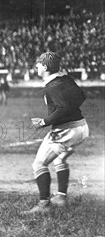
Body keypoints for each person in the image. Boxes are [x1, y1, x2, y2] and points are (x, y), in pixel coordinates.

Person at [23, 51, 89, 215]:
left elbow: (63, 108)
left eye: (38, 64)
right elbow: (82, 96)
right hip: (81, 127)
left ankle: (44, 204)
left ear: (45, 67)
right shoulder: (66, 79)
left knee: (39, 163)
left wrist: (44, 121)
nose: (36, 66)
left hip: (65, 130)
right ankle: (61, 197)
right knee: (60, 159)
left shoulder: (51, 87)